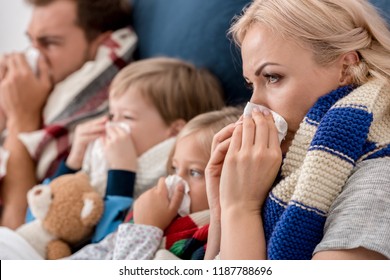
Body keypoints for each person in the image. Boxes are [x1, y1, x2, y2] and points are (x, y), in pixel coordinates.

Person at [205, 0, 390, 260]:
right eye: (251, 85)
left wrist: (241, 209)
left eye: (272, 77)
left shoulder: (380, 177)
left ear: (345, 68)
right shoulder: (288, 167)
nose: (254, 106)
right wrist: (221, 210)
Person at [47, 57, 225, 243]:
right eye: (112, 115)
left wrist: (122, 173)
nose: (113, 125)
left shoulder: (172, 181)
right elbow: (42, 214)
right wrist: (73, 163)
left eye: (127, 117)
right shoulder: (100, 165)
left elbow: (109, 245)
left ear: (175, 131)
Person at [0, 0, 137, 229]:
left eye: (49, 43)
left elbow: (14, 232)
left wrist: (21, 119)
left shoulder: (99, 113)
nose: (34, 56)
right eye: (31, 42)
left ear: (100, 43)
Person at [66, 107, 242, 260]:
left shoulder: (209, 243)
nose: (176, 181)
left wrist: (145, 229)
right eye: (174, 168)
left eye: (194, 172)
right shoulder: (156, 210)